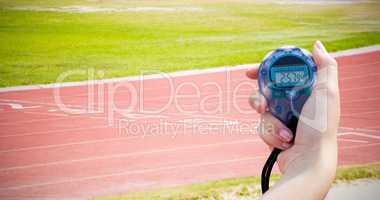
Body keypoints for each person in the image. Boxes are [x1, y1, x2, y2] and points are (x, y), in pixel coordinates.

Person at [246, 41, 340, 200]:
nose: (290, 94)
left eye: (294, 76)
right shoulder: (306, 67)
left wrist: (309, 160)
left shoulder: (270, 70)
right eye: (284, 77)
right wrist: (309, 164)